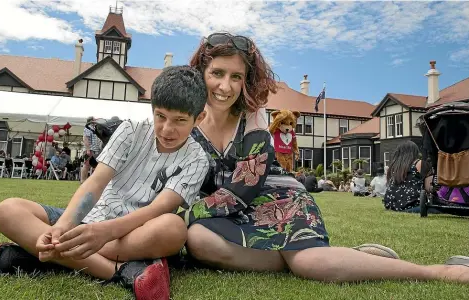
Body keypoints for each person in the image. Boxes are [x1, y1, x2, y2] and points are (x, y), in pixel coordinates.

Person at [178, 32, 469, 283]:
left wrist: (186, 215)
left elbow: (245, 187)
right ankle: (343, 259)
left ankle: (435, 271)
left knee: (308, 264)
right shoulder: (184, 121)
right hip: (227, 213)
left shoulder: (253, 115)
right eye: (217, 73)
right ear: (201, 73)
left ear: (246, 81)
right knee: (198, 241)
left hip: (278, 200)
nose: (225, 86)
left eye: (236, 76)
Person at [0, 66, 210, 299]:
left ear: (199, 118)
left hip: (136, 232)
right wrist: (63, 228)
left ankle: (44, 257)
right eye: (160, 116)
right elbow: (96, 183)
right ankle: (120, 270)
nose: (167, 129)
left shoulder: (197, 159)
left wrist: (104, 233)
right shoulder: (131, 130)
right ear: (152, 109)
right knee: (6, 211)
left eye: (180, 120)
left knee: (174, 229)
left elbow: (157, 209)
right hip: (92, 219)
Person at [383, 141, 439, 213]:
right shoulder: (419, 164)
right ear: (415, 152)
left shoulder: (394, 167)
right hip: (412, 206)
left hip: (392, 206)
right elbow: (429, 188)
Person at [80, 117, 103, 183]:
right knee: (86, 164)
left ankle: (93, 180)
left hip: (95, 150)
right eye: (94, 120)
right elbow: (85, 139)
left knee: (95, 165)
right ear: (91, 121)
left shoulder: (94, 128)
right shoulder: (88, 128)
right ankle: (83, 180)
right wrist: (88, 149)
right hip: (90, 149)